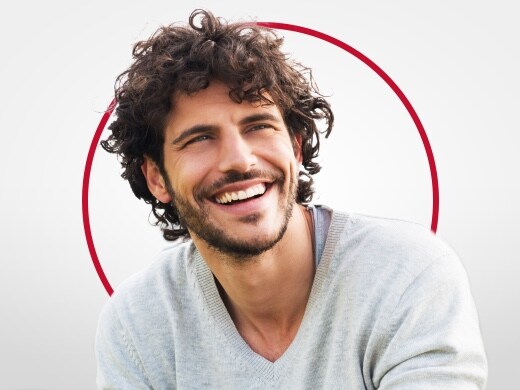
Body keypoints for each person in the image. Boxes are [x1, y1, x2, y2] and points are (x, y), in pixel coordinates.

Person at [95, 9, 487, 389]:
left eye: (259, 126)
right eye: (200, 138)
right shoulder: (138, 323)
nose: (239, 160)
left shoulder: (407, 278)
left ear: (296, 148)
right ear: (156, 178)